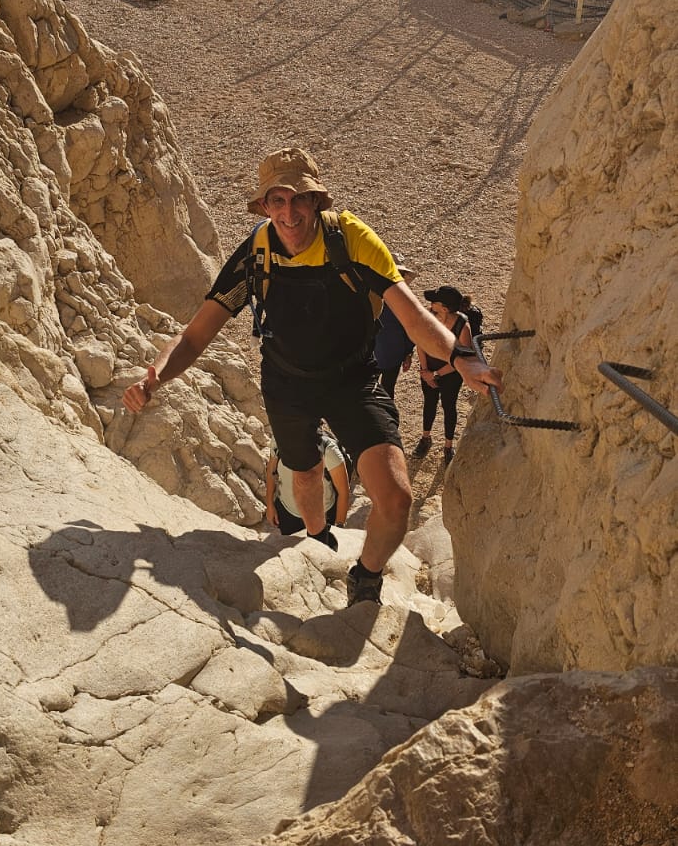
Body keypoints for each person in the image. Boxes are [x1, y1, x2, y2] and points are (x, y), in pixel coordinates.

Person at [123, 147, 501, 607]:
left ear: (317, 201)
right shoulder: (258, 252)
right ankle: (317, 539)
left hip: (352, 380)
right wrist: (155, 377)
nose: (289, 212)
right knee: (304, 472)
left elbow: (413, 316)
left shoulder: (351, 240)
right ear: (265, 206)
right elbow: (197, 333)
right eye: (277, 201)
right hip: (286, 384)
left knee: (397, 498)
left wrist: (462, 357)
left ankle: (366, 576)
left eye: (299, 198)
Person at [414, 285, 481, 464]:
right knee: (429, 403)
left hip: (451, 374)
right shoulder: (428, 317)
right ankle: (425, 438)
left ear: (444, 308)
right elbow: (420, 344)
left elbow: (463, 359)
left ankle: (448, 446)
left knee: (449, 406)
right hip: (428, 369)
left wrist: (435, 374)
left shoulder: (463, 327)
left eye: (434, 302)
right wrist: (425, 371)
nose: (430, 305)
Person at [266, 426, 350, 547]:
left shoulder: (328, 450)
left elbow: (343, 492)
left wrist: (339, 527)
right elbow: (271, 471)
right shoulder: (279, 440)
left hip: (323, 515)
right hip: (288, 513)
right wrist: (269, 504)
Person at [374, 258, 415, 399]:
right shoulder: (372, 297)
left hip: (392, 353)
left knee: (387, 388)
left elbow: (410, 328)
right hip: (373, 353)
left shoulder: (405, 301)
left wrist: (408, 353)